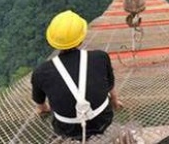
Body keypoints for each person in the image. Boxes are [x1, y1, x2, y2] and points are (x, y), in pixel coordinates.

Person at [31, 10, 122, 140]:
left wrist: (44, 110)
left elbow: (41, 106)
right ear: (81, 38)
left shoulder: (41, 72)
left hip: (67, 129)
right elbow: (110, 86)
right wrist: (115, 101)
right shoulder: (100, 57)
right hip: (103, 120)